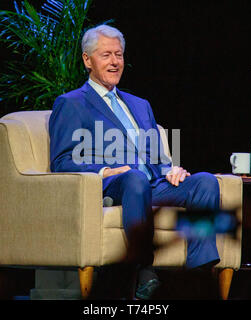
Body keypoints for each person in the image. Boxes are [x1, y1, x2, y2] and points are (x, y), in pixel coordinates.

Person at [49, 25, 221, 299]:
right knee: (134, 178)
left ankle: (199, 273)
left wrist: (170, 169)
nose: (115, 62)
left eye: (118, 54)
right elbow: (61, 162)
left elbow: (153, 156)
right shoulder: (71, 103)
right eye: (106, 55)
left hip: (151, 183)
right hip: (112, 185)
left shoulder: (140, 105)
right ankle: (144, 270)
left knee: (205, 182)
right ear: (87, 60)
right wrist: (105, 170)